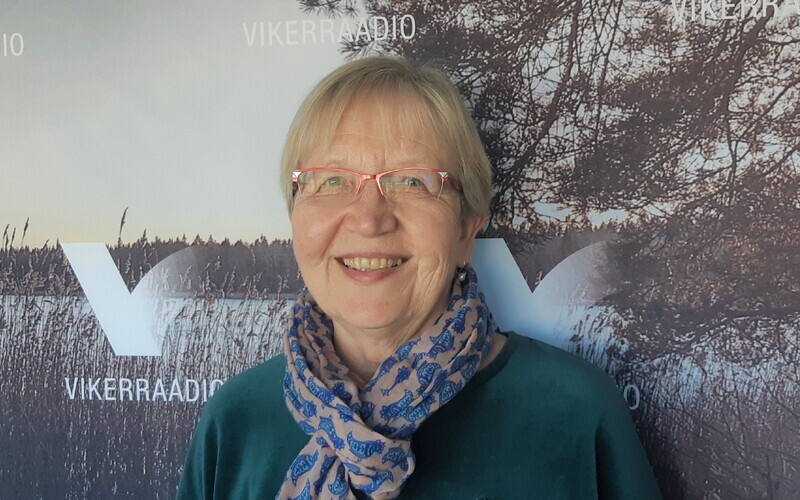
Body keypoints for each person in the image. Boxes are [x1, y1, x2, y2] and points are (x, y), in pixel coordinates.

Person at [176, 56, 662, 499]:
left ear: (466, 227)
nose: (368, 219)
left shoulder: (574, 414)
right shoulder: (234, 422)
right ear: (295, 218)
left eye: (412, 180)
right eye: (332, 180)